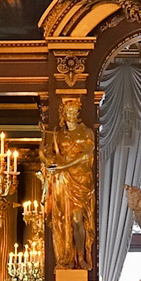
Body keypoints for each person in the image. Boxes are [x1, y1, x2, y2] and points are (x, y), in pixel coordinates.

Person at [42, 99, 96, 271]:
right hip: (63, 181)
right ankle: (67, 258)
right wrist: (48, 161)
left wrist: (64, 165)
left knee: (77, 219)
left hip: (80, 180)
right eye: (69, 112)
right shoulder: (58, 134)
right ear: (63, 114)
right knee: (63, 219)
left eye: (74, 112)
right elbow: (47, 153)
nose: (72, 115)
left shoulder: (86, 132)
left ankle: (80, 257)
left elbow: (87, 155)